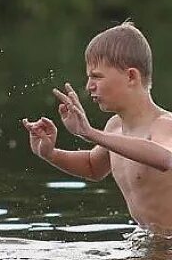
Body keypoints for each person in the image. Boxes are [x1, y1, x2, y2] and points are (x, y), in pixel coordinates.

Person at [23, 21, 172, 232]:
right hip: (152, 242)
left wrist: (90, 133)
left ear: (131, 76)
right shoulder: (114, 127)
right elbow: (93, 167)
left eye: (97, 76)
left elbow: (166, 158)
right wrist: (50, 153)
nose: (89, 86)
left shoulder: (164, 126)